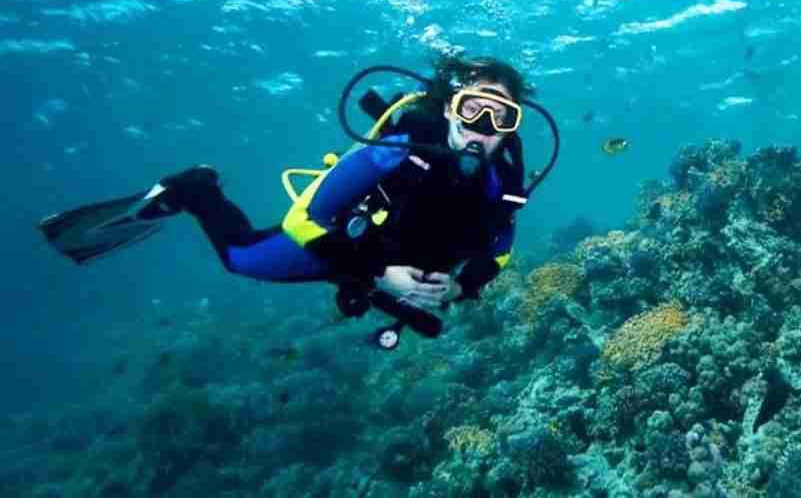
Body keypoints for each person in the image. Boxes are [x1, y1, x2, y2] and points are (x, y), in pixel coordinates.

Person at [39, 57, 558, 336]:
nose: (483, 129)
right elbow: (303, 220)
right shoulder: (399, 148)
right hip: (344, 245)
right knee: (240, 259)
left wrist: (458, 289)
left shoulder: (503, 180)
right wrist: (379, 274)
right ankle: (195, 189)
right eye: (473, 110)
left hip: (400, 269)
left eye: (501, 118)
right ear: (449, 109)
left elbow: (500, 252)